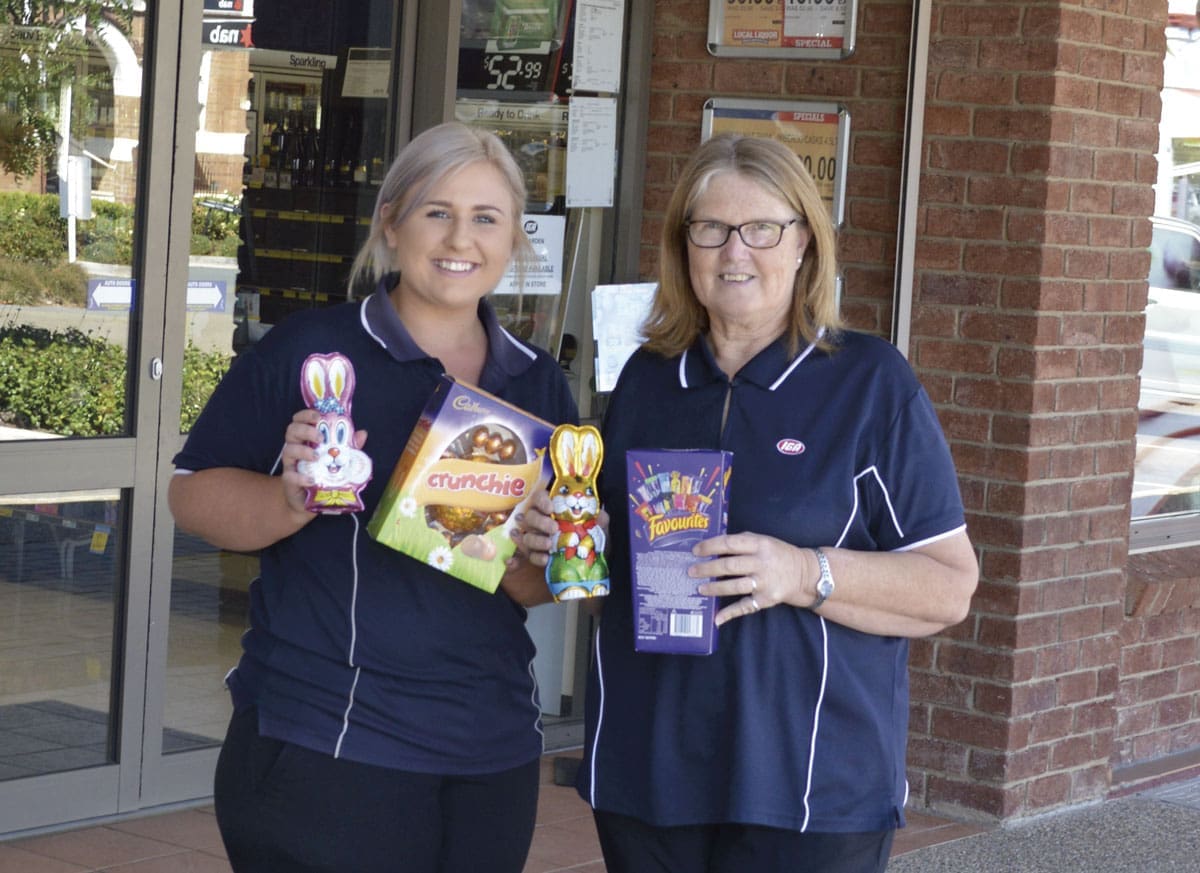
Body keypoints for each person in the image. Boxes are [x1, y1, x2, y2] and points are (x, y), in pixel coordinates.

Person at [539, 133, 980, 872]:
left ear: (805, 241)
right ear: (684, 245)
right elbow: (610, 587)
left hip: (811, 785)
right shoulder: (649, 381)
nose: (734, 251)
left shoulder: (871, 384)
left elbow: (949, 586)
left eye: (762, 229)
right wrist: (573, 544)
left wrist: (804, 572)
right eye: (709, 229)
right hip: (651, 775)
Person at [168, 121, 578, 873]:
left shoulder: (538, 382)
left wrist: (554, 553)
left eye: (486, 217)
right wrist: (288, 499)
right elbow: (191, 496)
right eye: (436, 211)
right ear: (391, 222)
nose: (462, 236)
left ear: (516, 237)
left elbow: (519, 583)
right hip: (329, 736)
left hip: (490, 746)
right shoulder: (312, 350)